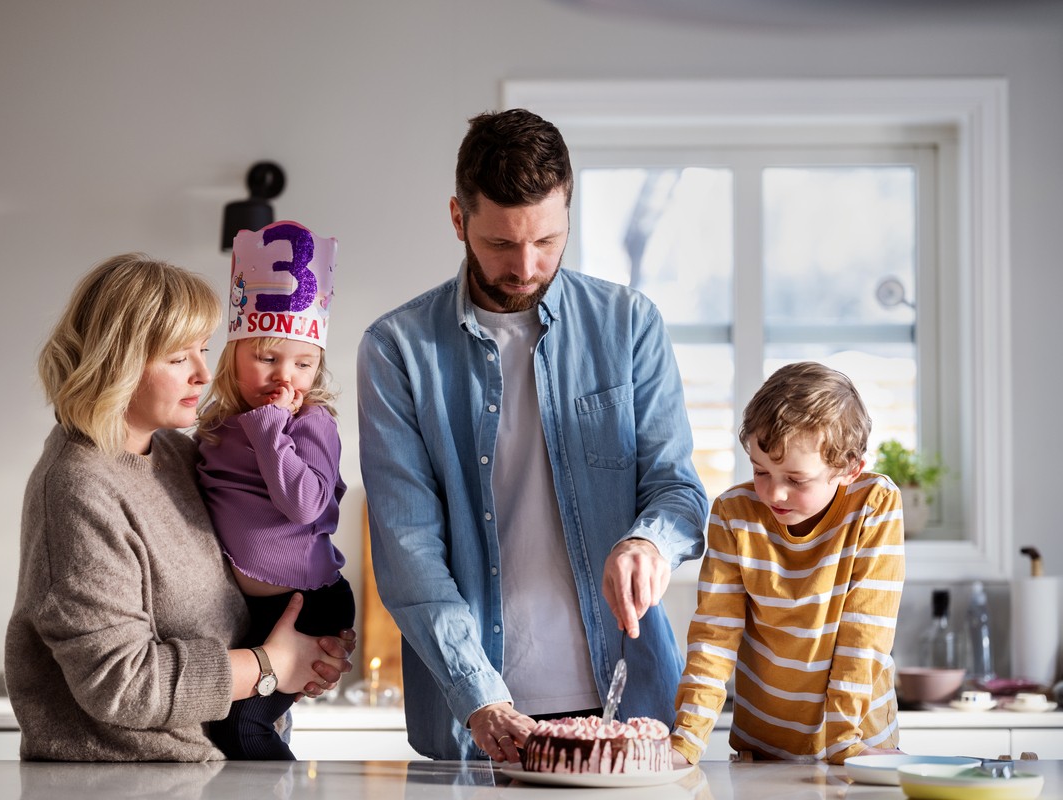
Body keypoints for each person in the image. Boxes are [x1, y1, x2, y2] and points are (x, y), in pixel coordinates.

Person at [356, 108, 710, 762]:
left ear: (569, 213)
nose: (525, 266)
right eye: (500, 244)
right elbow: (409, 554)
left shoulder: (629, 325)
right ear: (459, 219)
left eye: (547, 241)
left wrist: (649, 542)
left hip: (628, 709)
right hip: (477, 719)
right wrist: (479, 695)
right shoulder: (397, 350)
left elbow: (679, 492)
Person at [5, 253, 354, 762]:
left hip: (207, 773)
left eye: (204, 350)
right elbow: (121, 685)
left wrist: (295, 667)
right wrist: (269, 664)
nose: (203, 373)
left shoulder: (177, 454)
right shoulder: (78, 487)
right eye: (177, 358)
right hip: (123, 782)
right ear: (115, 362)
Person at [669, 361, 904, 766]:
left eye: (796, 479)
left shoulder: (874, 504)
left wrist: (844, 742)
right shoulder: (733, 512)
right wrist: (686, 741)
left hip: (860, 743)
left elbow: (865, 634)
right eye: (761, 471)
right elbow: (714, 635)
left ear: (849, 469)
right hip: (765, 745)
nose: (774, 493)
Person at [196, 221, 354, 760]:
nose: (285, 378)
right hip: (249, 610)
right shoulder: (213, 429)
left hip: (308, 603)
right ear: (232, 355)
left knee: (245, 730)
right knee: (219, 729)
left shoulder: (310, 424)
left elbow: (304, 505)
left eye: (303, 364)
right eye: (266, 358)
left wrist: (270, 432)